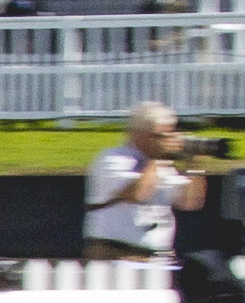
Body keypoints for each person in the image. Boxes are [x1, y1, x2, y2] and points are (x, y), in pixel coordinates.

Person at [86, 101, 206, 262]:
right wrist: (159, 157)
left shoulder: (160, 165)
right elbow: (137, 194)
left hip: (158, 257)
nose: (171, 139)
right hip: (118, 255)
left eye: (173, 132)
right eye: (163, 135)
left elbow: (189, 202)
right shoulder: (113, 159)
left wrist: (193, 163)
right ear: (140, 135)